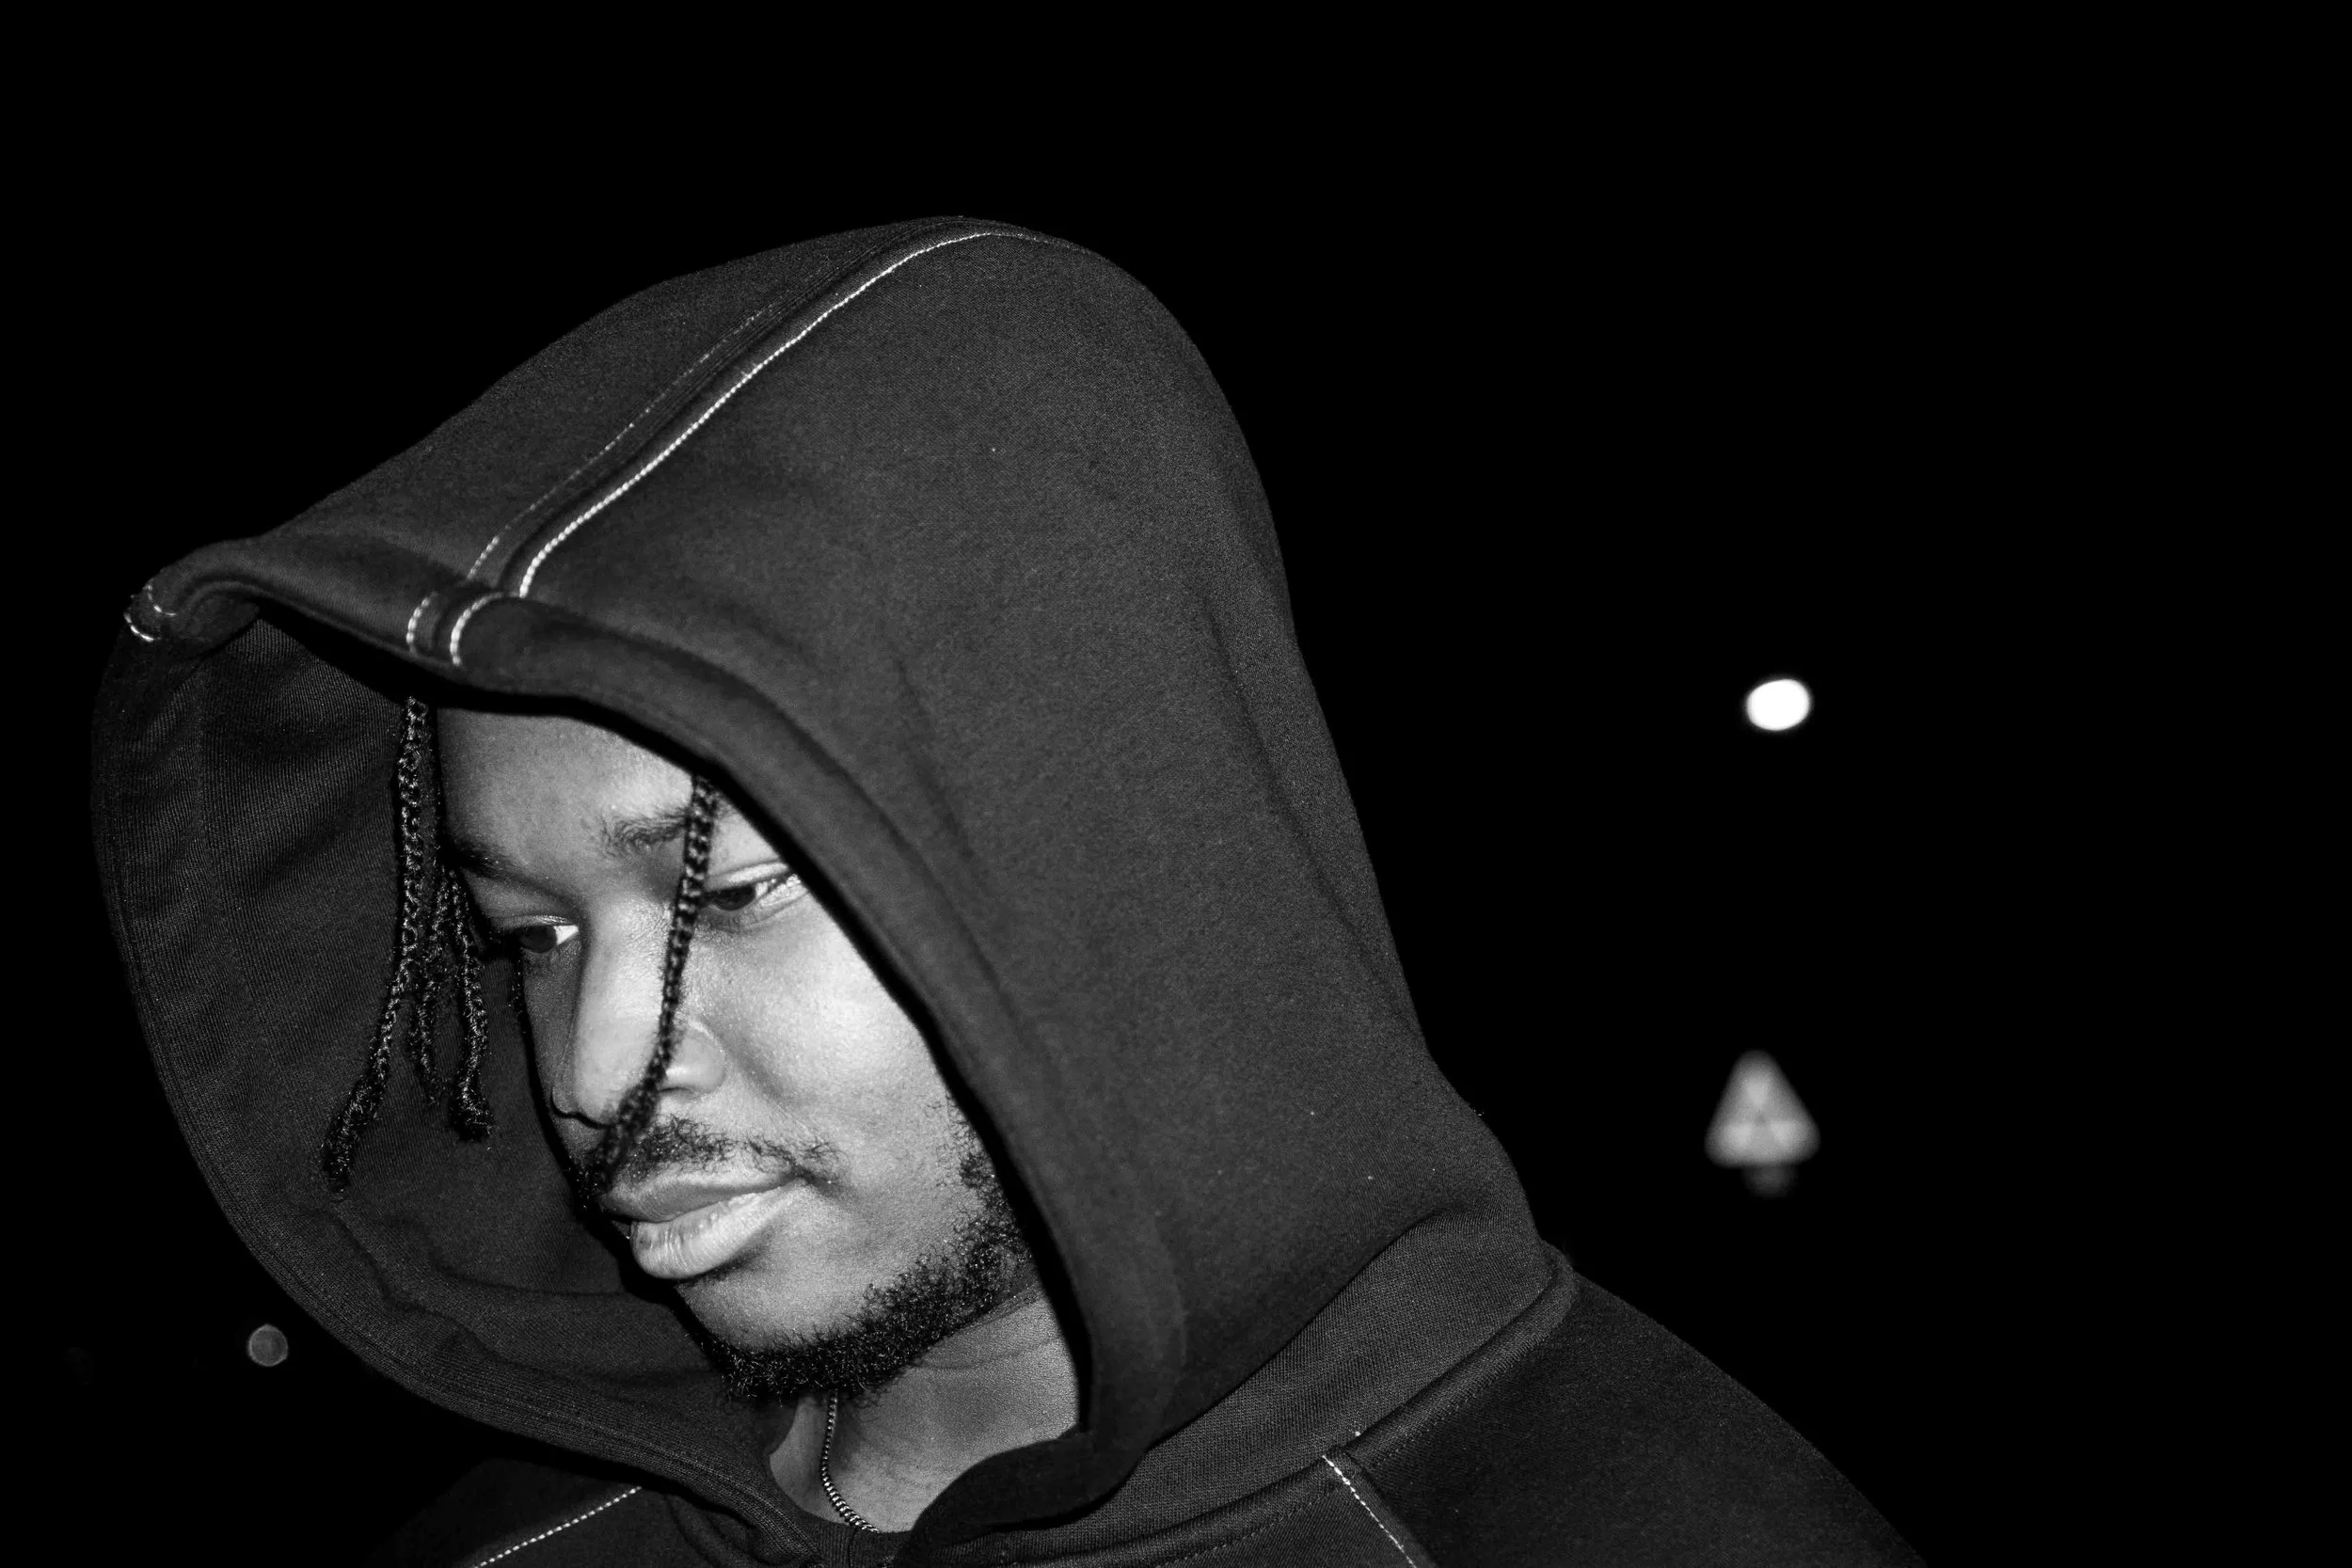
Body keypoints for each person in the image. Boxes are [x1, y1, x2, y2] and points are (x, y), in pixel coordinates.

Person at [96, 217, 1917, 1566]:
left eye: (729, 889)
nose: (588, 1070)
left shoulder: (1646, 1528)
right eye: (529, 931)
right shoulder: (508, 1544)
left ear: (1085, 858)